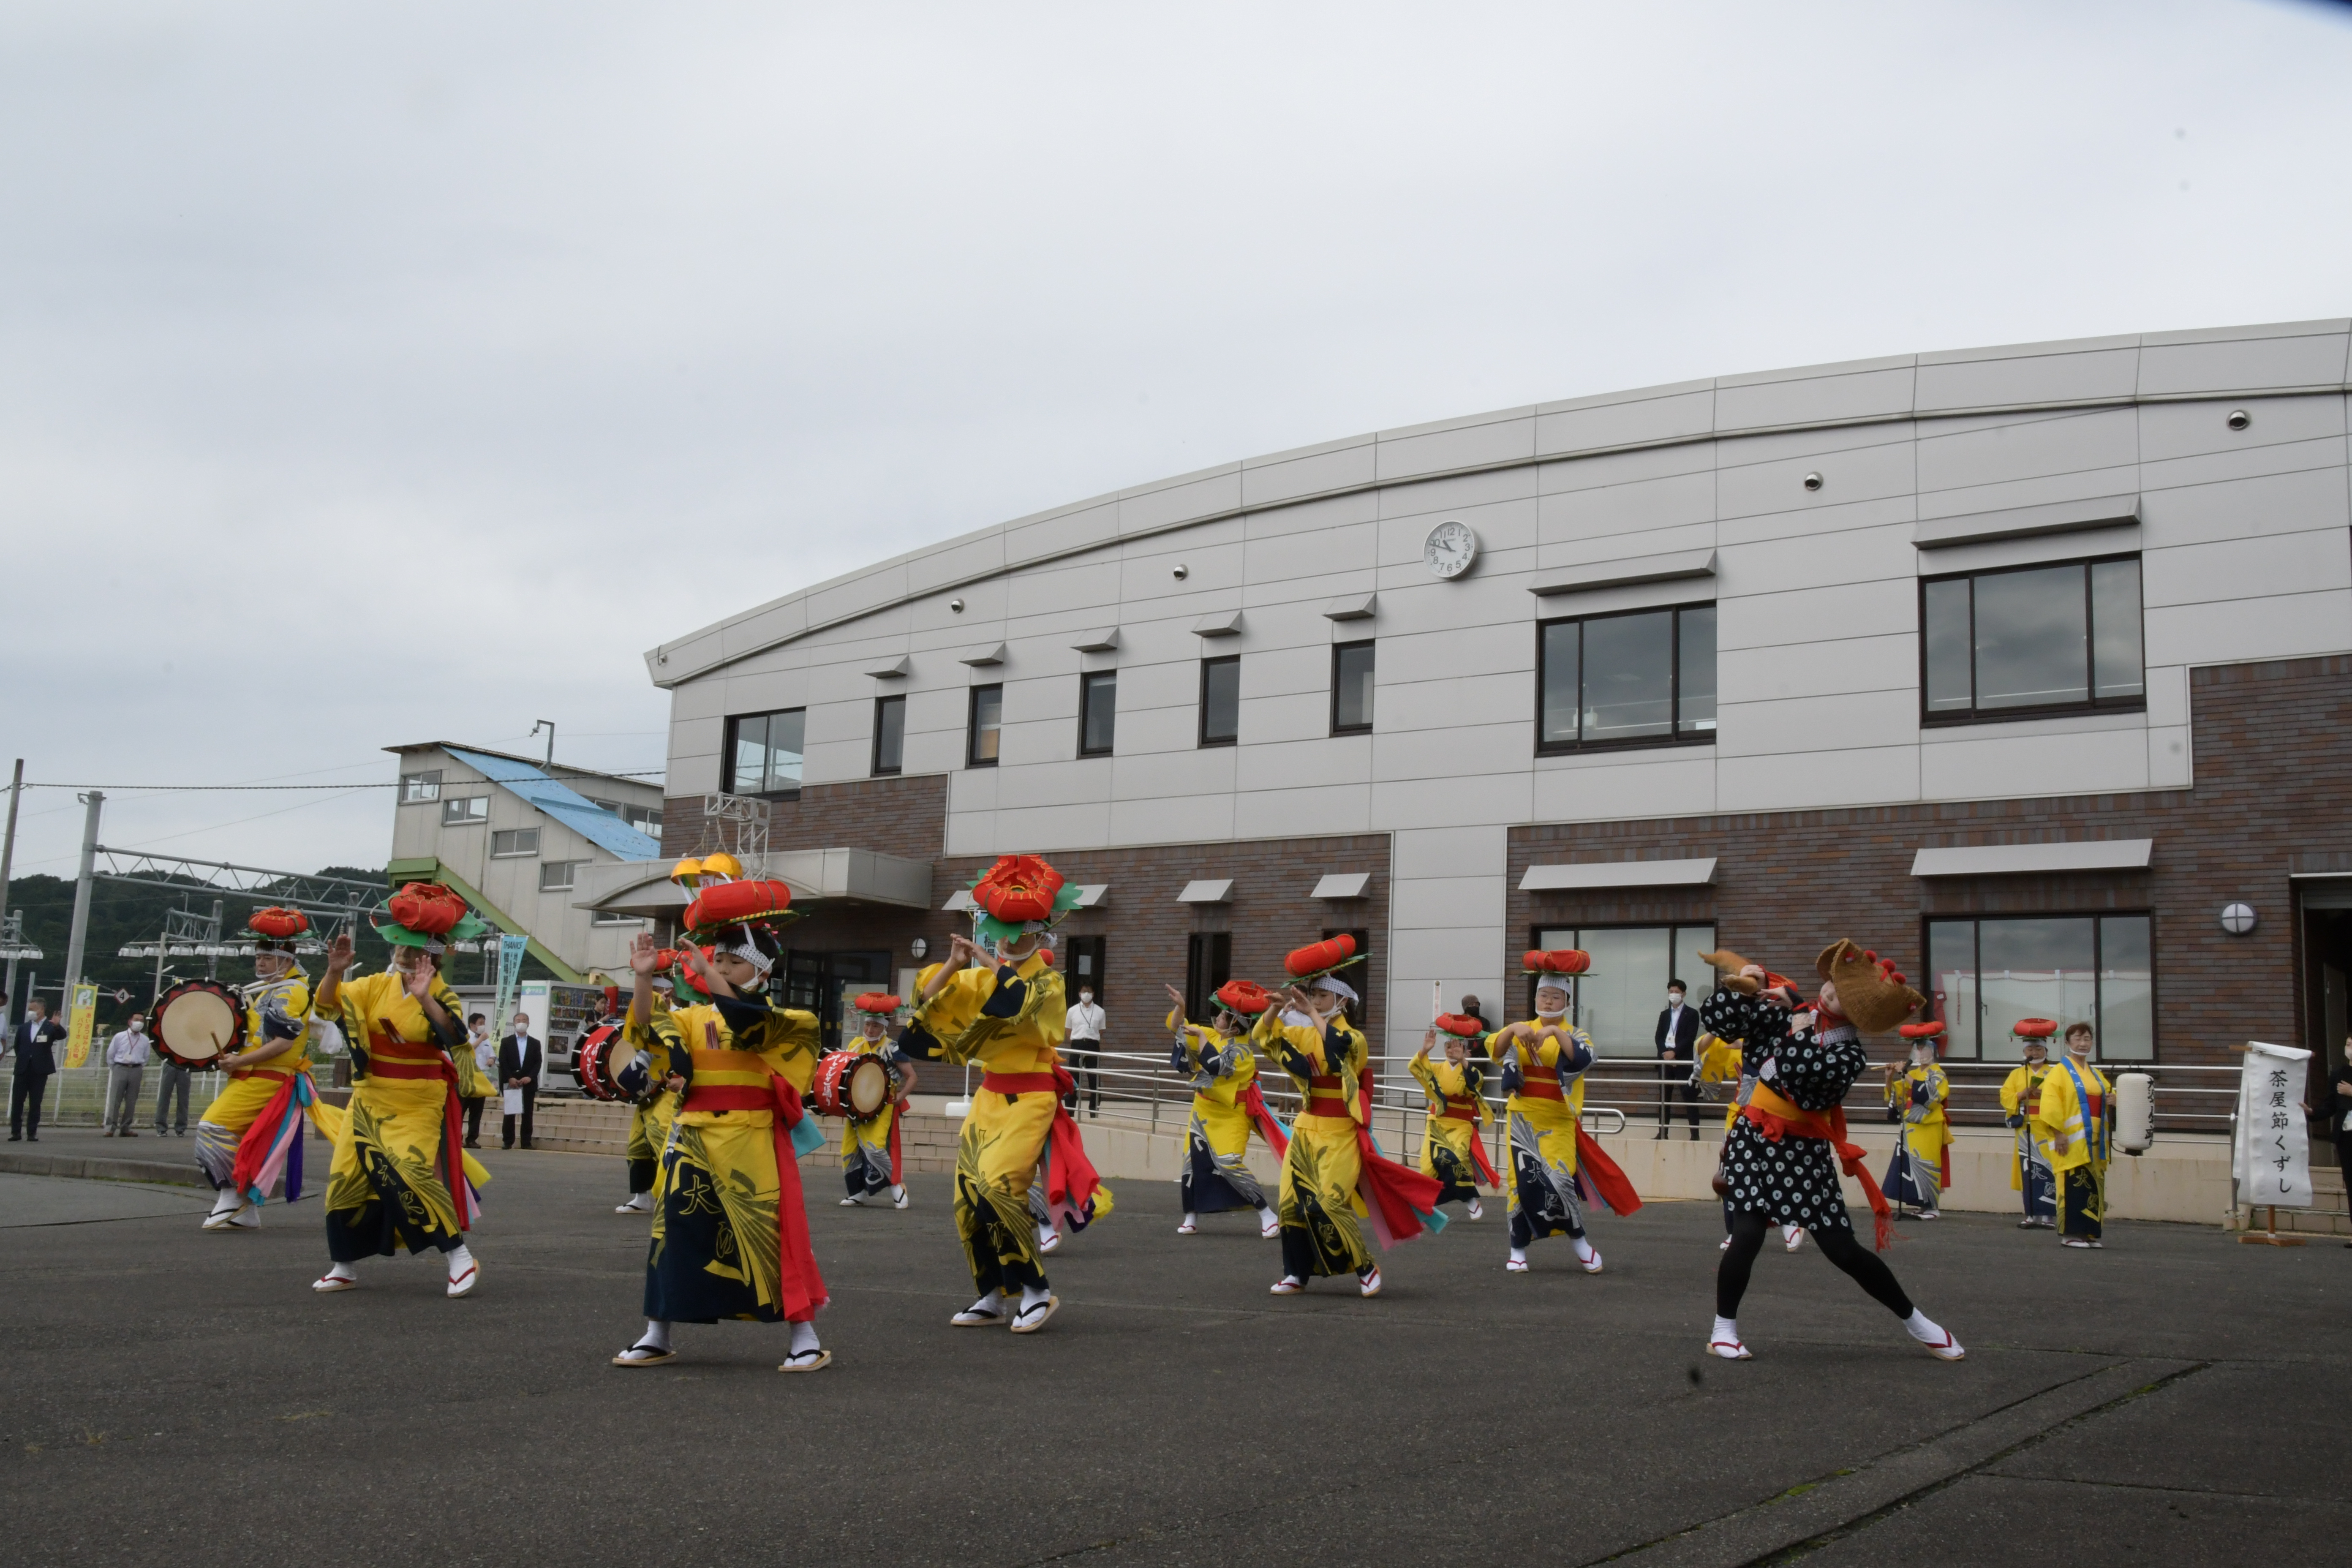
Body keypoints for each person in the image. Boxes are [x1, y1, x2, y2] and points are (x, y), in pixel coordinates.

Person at [611, 855, 831, 1372]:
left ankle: (804, 1335)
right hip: (691, 1135)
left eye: (733, 963)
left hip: (750, 1138)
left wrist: (711, 976)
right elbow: (645, 1032)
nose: (721, 969)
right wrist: (643, 981)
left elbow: (751, 1023)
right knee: (674, 1231)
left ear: (763, 968)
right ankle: (656, 1331)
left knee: (766, 1232)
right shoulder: (692, 1016)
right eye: (719, 961)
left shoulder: (787, 1020)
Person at [1699, 941, 1963, 1363]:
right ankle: (1723, 1329)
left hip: (1804, 1151)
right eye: (1829, 984)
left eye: (1839, 994)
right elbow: (1721, 1022)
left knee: (1842, 1248)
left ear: (1856, 1012)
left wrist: (1798, 1013)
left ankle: (1916, 1320)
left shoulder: (1848, 1052)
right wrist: (1747, 987)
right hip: (1755, 1135)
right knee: (1746, 1232)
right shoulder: (1785, 1012)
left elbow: (1800, 1076)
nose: (1827, 992)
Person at [901, 853, 1104, 1334]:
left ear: (1042, 932)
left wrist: (992, 962)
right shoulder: (979, 975)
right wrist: (953, 964)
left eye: (1023, 931)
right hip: (991, 1096)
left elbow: (1018, 1005)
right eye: (1003, 929)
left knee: (998, 1186)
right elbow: (927, 1002)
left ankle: (1036, 1290)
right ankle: (991, 1294)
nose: (1013, 940)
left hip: (1032, 1097)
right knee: (968, 1195)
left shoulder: (1050, 983)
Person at [311, 883, 493, 1297]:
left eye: (412, 950)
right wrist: (335, 971)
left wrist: (425, 997)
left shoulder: (442, 993)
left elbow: (454, 1036)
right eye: (401, 948)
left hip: (416, 1098)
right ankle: (344, 1264)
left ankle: (459, 1256)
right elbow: (327, 1006)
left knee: (411, 1174)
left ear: (431, 954)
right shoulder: (373, 985)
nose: (404, 955)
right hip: (370, 1096)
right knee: (345, 1178)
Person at [1255, 934, 1446, 1298]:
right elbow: (1265, 1039)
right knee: (1292, 1204)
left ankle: (1364, 1266)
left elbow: (1341, 1053)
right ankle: (1295, 1273)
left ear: (1342, 1000)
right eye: (1312, 996)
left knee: (1328, 1202)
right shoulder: (1303, 1034)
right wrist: (1275, 1009)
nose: (1314, 1002)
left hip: (1341, 1131)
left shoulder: (1354, 1038)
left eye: (1322, 997)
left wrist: (1311, 1014)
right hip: (1307, 1129)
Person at [197, 908, 345, 1232]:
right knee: (236, 1137)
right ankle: (243, 1207)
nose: (260, 963)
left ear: (286, 960)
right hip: (253, 1076)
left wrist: (239, 1061)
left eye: (267, 958)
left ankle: (235, 1199)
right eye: (258, 957)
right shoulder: (269, 989)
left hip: (270, 1078)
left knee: (212, 1129)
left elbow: (283, 1042)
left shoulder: (291, 990)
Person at [1162, 978, 1285, 1238]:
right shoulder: (1213, 1034)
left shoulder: (1242, 1052)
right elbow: (1177, 1028)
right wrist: (1181, 1008)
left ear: (1235, 1024)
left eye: (1224, 1015)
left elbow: (1217, 1066)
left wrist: (1204, 1037)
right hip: (1203, 1108)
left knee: (1229, 1163)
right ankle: (1191, 1216)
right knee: (1190, 1163)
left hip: (1232, 1113)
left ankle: (1266, 1214)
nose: (1218, 1017)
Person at [2034, 1021, 2114, 1250]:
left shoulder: (2096, 1073)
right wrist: (2058, 1133)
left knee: (2093, 1188)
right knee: (2073, 1187)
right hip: (2071, 1139)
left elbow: (2107, 1092)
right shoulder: (2059, 1072)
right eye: (2078, 1038)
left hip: (2094, 1141)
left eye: (2087, 1038)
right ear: (2068, 1043)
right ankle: (2071, 1234)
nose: (2083, 1043)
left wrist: (2114, 1099)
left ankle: (2088, 1232)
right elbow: (2050, 1104)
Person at [1410, 1013, 1495, 1219]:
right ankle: (1432, 1204)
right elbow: (1415, 1068)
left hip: (1460, 1124)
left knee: (1457, 1157)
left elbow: (1477, 1082)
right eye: (1448, 1047)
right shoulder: (1438, 1068)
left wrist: (1463, 1061)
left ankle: (1469, 1199)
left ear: (1465, 1050)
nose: (1452, 1050)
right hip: (1438, 1122)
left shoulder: (1469, 1069)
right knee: (1428, 1166)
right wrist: (1425, 1050)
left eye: (1457, 1047)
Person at [838, 991, 917, 1209]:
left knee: (875, 1148)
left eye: (875, 1026)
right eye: (867, 1025)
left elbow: (912, 1076)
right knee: (849, 1150)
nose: (870, 1030)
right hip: (856, 1106)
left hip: (883, 1105)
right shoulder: (855, 1044)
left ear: (884, 1027)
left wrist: (900, 1097)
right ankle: (858, 1192)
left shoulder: (893, 1048)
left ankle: (896, 1186)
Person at [616, 966, 682, 1214]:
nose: (649, 994)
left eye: (653, 989)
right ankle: (641, 1197)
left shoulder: (682, 1016)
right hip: (648, 1088)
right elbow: (633, 1039)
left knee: (663, 1138)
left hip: (669, 1088)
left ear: (667, 990)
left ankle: (672, 1194)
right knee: (637, 1143)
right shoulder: (644, 1015)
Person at [1883, 1022, 1952, 1220]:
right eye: (1918, 1049)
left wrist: (1905, 1075)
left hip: (1929, 1125)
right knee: (1910, 1165)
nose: (1921, 1053)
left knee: (1928, 1164)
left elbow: (1932, 1097)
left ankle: (1932, 1207)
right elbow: (1896, 1096)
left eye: (1925, 1049)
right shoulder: (1913, 1073)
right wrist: (1889, 1078)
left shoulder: (1938, 1074)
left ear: (1933, 1051)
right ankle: (1921, 1205)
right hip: (1911, 1125)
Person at [2000, 1020, 2059, 1229]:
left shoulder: (2055, 1072)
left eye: (2038, 1048)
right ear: (2024, 1051)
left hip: (2047, 1127)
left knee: (2048, 1168)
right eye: (2030, 1049)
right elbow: (2005, 1096)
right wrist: (2021, 1094)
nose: (2034, 1052)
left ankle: (2048, 1215)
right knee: (2028, 1170)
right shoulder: (2018, 1073)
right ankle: (2031, 1214)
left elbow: (2062, 1095)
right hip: (2025, 1127)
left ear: (2046, 1049)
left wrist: (2044, 1095)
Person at [8, 997, 66, 1141]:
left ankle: (32, 1133)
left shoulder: (50, 1026)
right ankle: (16, 1132)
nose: (30, 1012)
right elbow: (17, 1047)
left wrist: (58, 1026)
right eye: (29, 1010)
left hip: (39, 1070)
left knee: (35, 1103)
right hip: (23, 1069)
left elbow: (61, 1036)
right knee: (17, 1101)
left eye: (33, 1010)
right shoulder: (23, 1028)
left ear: (41, 1010)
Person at [1655, 977, 1701, 1140]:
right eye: (1671, 992)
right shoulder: (1665, 1014)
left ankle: (1695, 1136)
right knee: (1664, 1099)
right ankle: (1663, 1133)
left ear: (1684, 994)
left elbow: (1690, 1038)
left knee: (1689, 1097)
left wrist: (1675, 1053)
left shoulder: (1692, 1014)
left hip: (1683, 1060)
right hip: (1665, 1061)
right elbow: (1659, 1037)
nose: (1673, 994)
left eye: (1677, 992)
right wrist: (1664, 1053)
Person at [498, 1010, 542, 1149]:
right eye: (518, 1021)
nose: (521, 1023)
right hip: (512, 1081)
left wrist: (530, 1077)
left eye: (524, 1020)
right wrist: (510, 1078)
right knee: (510, 1113)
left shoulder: (535, 1043)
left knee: (528, 1113)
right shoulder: (506, 1042)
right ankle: (508, 1141)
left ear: (528, 1023)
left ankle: (526, 1142)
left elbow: (538, 1062)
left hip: (528, 1082)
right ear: (514, 1024)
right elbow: (503, 1062)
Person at [103, 1012, 152, 1136]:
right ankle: (110, 1127)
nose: (139, 1022)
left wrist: (138, 1067)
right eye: (137, 1020)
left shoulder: (145, 1040)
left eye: (142, 1020)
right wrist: (114, 1067)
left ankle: (126, 1127)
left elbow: (146, 1057)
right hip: (120, 1067)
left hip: (136, 1069)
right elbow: (110, 1054)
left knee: (131, 1101)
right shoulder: (120, 1037)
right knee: (115, 1100)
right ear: (130, 1022)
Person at [1064, 980, 1107, 1117]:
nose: (1086, 994)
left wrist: (1090, 1039)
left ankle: (1093, 1112)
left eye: (1089, 992)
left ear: (1093, 994)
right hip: (1077, 1044)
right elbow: (1068, 1030)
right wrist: (1078, 1039)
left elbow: (1101, 1031)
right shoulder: (1072, 1011)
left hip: (1093, 1045)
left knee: (1094, 1079)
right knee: (1073, 1079)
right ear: (1079, 994)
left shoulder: (1100, 1012)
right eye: (1084, 991)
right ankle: (1070, 1111)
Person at [460, 1013, 493, 1148]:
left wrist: (492, 1059)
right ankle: (457, 1138)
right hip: (467, 1079)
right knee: (461, 1110)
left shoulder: (486, 1039)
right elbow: (467, 1050)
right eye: (480, 1023)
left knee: (477, 1112)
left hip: (481, 1080)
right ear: (472, 1025)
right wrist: (480, 1039)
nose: (482, 1025)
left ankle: (472, 1139)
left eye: (484, 1022)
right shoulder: (466, 1037)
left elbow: (492, 1054)